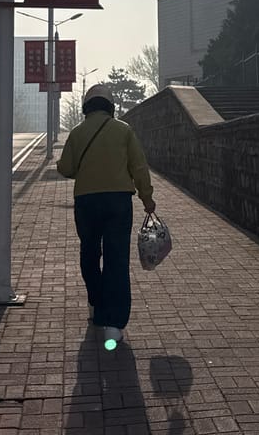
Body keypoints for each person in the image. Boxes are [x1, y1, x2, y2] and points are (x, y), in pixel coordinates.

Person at [57, 83, 156, 350]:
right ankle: (113, 325)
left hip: (86, 202)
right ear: (110, 107)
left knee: (89, 253)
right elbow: (139, 166)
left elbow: (65, 168)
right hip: (118, 202)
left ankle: (95, 304)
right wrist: (147, 198)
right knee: (116, 259)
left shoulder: (77, 133)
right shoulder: (124, 131)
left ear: (85, 108)